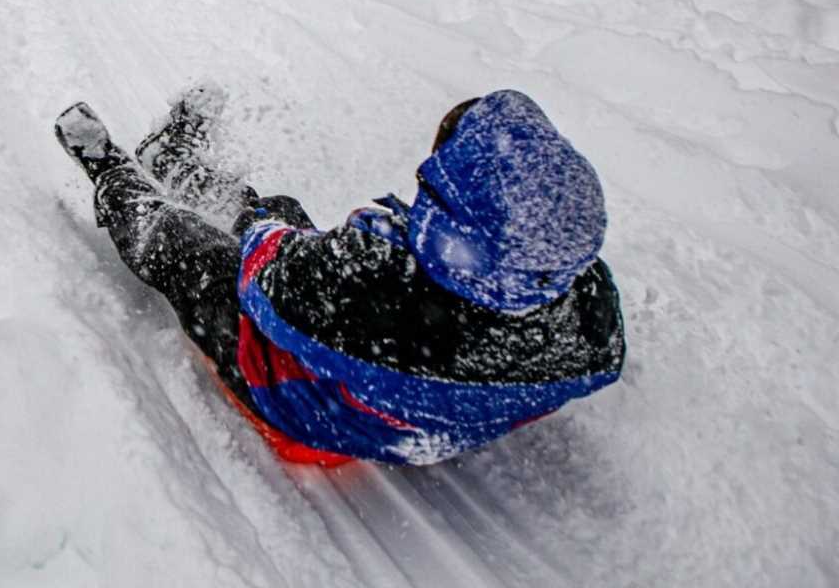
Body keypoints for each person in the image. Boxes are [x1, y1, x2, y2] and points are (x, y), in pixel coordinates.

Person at [55, 88, 625, 466]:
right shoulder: (590, 316)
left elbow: (267, 273)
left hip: (303, 408)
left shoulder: (371, 280)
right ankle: (178, 163)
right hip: (413, 427)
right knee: (278, 224)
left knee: (197, 250)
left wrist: (270, 225)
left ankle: (117, 173)